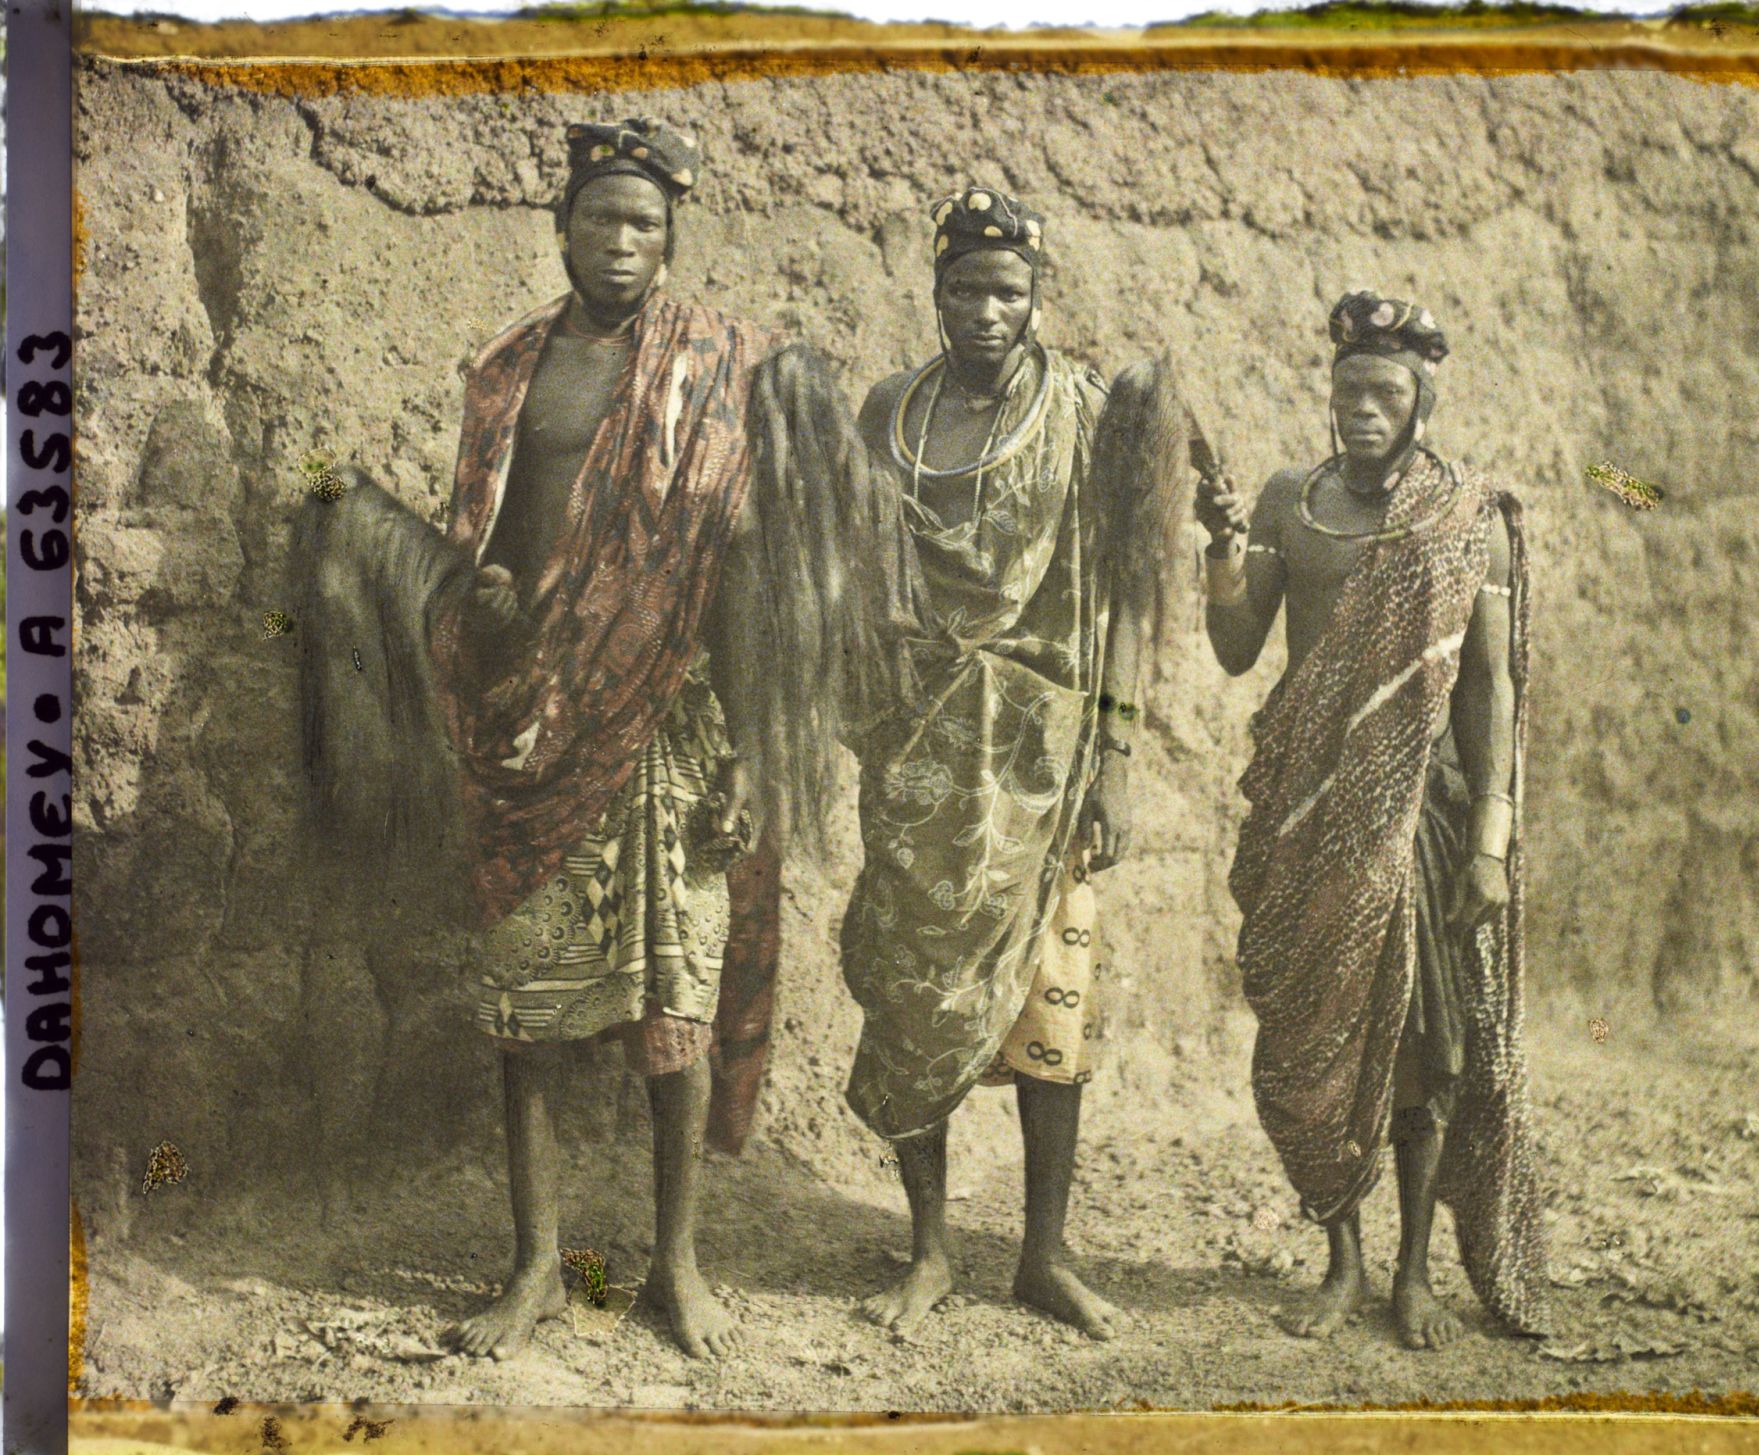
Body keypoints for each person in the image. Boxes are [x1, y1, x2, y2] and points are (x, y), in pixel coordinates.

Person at [427, 118, 779, 1361]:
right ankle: (535, 1264)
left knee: (672, 998)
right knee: (525, 1006)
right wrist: (490, 606)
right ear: (561, 228)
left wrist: (750, 749)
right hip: (534, 717)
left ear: (670, 236)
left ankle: (675, 1267)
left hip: (673, 716)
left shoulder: (720, 367)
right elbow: (483, 537)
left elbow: (747, 570)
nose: (621, 243)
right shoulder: (511, 369)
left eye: (644, 223)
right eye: (599, 219)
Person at [1196, 290, 1549, 1350]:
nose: (1360, 407)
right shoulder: (1285, 505)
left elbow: (1491, 696)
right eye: (1347, 388)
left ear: (1417, 404)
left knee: (1428, 1048)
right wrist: (1220, 549)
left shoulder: (1463, 522)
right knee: (1316, 1041)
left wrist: (1489, 842)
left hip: (1423, 818)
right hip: (1309, 816)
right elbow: (1232, 646)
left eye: (1383, 392)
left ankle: (1410, 1272)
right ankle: (1341, 1260)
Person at [839, 185, 1141, 1339]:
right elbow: (858, 582)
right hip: (918, 747)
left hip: (1043, 751)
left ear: (1035, 299)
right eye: (964, 288)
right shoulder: (889, 412)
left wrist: (1113, 750)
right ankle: (925, 1249)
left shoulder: (1084, 410)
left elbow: (1121, 600)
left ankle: (1042, 1254)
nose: (984, 310)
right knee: (916, 994)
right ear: (935, 291)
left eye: (1006, 291)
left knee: (1047, 1008)